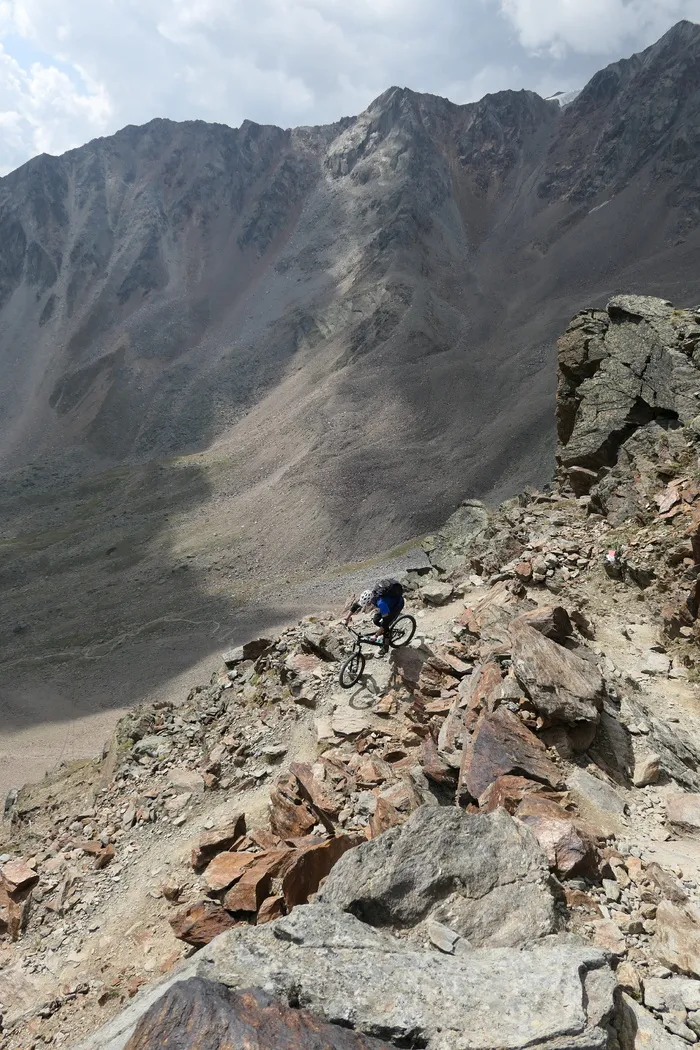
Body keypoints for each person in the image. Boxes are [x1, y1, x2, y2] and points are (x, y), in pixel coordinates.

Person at [343, 578, 405, 652]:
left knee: (384, 624)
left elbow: (385, 620)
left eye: (366, 604)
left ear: (369, 602)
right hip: (387, 605)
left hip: (397, 605)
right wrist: (346, 618)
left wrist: (376, 636)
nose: (365, 605)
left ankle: (385, 645)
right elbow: (355, 606)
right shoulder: (371, 596)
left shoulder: (381, 603)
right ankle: (385, 631)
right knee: (375, 620)